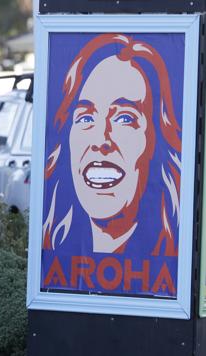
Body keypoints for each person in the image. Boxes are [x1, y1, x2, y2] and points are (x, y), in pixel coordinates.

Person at [43, 33, 182, 257]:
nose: (100, 141)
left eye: (124, 119)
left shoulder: (173, 259)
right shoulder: (55, 252)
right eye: (86, 118)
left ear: (156, 141)